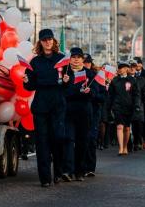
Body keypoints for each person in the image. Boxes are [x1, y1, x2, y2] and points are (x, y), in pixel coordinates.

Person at [22, 29, 69, 187]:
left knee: (58, 139)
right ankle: (45, 178)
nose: (47, 42)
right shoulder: (35, 62)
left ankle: (58, 172)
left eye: (50, 39)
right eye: (44, 40)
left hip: (58, 104)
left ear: (54, 41)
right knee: (42, 142)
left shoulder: (62, 59)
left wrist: (68, 80)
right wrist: (26, 80)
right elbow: (30, 86)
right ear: (40, 42)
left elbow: (69, 84)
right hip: (41, 105)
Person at [63, 48, 95, 181]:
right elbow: (61, 92)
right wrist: (63, 84)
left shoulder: (90, 74)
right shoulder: (65, 72)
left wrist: (90, 92)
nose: (76, 59)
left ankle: (79, 171)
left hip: (84, 112)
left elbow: (98, 94)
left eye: (78, 57)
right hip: (68, 112)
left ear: (83, 59)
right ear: (70, 58)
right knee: (68, 141)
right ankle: (67, 171)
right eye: (73, 56)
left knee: (82, 142)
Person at [109, 61, 141, 156]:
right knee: (119, 126)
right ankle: (120, 148)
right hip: (117, 106)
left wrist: (136, 105)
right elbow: (110, 95)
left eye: (122, 68)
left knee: (127, 128)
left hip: (129, 107)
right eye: (119, 68)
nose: (120, 69)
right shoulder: (114, 80)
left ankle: (125, 146)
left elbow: (136, 94)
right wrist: (109, 107)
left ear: (126, 69)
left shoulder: (132, 80)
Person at [82, 54, 105, 177]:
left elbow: (103, 96)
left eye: (88, 62)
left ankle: (90, 167)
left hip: (94, 112)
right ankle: (81, 166)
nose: (86, 64)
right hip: (80, 112)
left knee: (91, 139)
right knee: (81, 140)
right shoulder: (76, 75)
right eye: (84, 62)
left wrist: (93, 94)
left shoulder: (97, 77)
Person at [129, 60, 145, 151]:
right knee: (126, 126)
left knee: (137, 126)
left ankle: (137, 142)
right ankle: (129, 144)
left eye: (134, 66)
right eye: (130, 66)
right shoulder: (123, 79)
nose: (132, 68)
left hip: (139, 106)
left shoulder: (142, 80)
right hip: (126, 105)